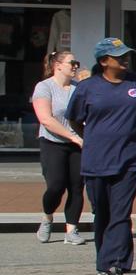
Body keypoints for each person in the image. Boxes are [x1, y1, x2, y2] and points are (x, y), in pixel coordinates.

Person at [66, 38, 136, 275]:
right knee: (103, 214)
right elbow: (76, 120)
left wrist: (133, 138)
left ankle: (115, 266)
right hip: (96, 159)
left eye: (126, 55)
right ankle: (104, 260)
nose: (125, 59)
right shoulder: (88, 87)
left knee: (120, 214)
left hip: (131, 159)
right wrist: (95, 139)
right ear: (103, 61)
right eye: (118, 56)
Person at [31, 51, 86, 245]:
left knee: (76, 187)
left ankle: (71, 229)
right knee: (55, 186)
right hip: (53, 143)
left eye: (76, 63)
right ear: (58, 65)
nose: (75, 66)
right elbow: (46, 119)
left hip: (77, 144)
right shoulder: (44, 87)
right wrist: (72, 136)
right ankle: (47, 217)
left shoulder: (78, 88)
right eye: (72, 62)